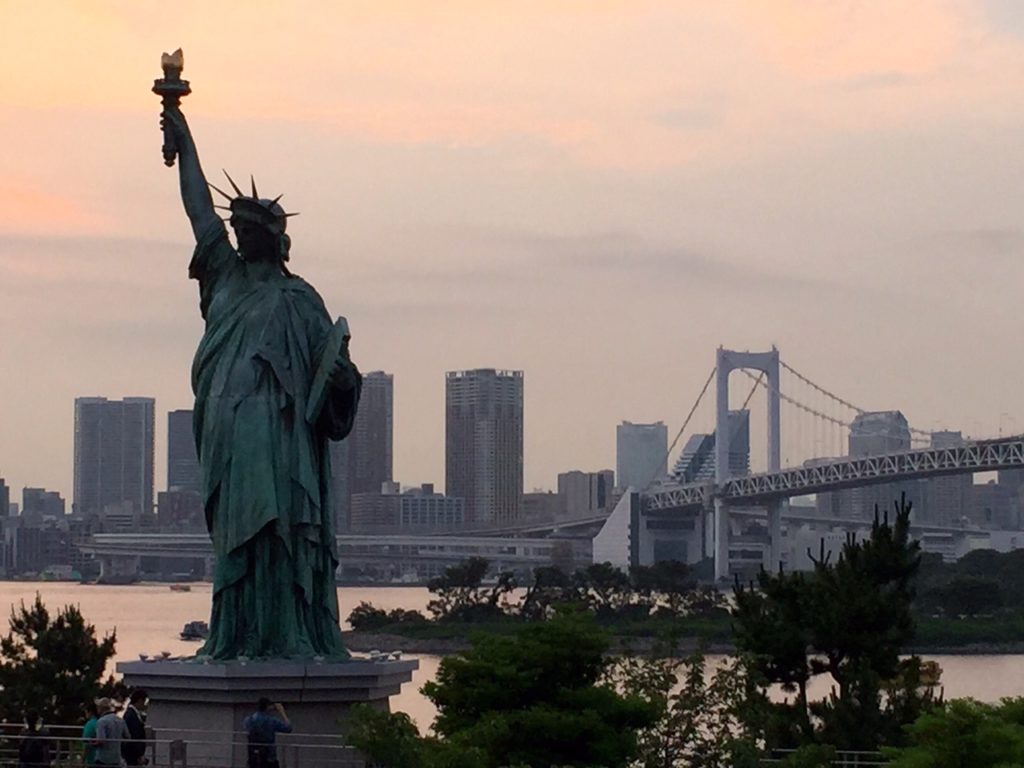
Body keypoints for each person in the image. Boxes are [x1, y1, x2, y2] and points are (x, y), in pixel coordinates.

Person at [160, 102, 361, 661]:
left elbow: (335, 376)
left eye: (251, 231)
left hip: (277, 432)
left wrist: (344, 379)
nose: (240, 238)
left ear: (275, 238)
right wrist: (185, 139)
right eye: (238, 230)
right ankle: (237, 631)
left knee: (278, 527)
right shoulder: (223, 277)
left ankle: (285, 631)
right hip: (224, 429)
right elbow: (199, 211)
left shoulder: (301, 299)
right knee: (236, 534)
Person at [243, 698, 292, 768]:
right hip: (269, 757)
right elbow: (288, 728)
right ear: (268, 707)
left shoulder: (249, 720)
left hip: (253, 757)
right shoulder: (272, 721)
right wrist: (282, 712)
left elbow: (246, 728)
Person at [94, 698, 128, 768]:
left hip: (103, 759)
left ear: (101, 708)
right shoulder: (120, 720)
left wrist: (92, 744)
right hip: (116, 758)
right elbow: (127, 736)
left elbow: (101, 741)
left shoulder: (101, 721)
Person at [121, 689, 148, 766]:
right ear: (139, 701)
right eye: (144, 702)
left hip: (132, 752)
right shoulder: (132, 716)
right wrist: (139, 754)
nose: (144, 705)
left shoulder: (131, 714)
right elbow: (134, 735)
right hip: (132, 753)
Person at [81, 700, 99, 768]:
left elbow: (86, 743)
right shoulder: (99, 722)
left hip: (91, 758)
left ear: (89, 712)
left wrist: (82, 759)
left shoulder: (89, 724)